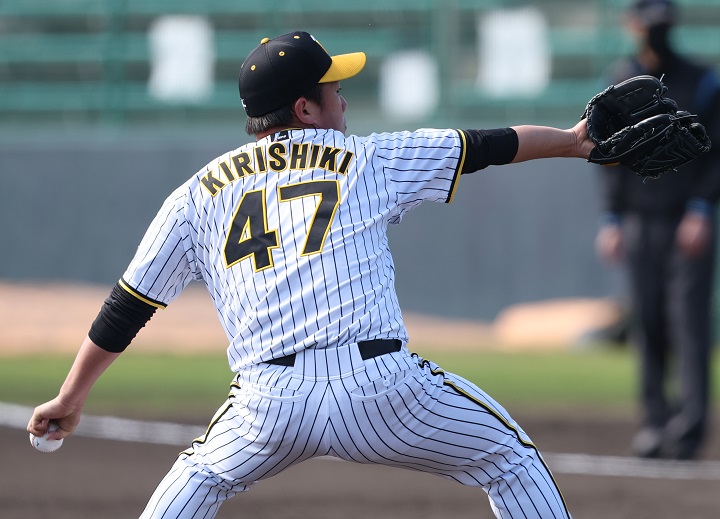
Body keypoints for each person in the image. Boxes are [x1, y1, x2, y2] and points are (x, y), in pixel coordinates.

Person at [28, 31, 595, 518]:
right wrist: (574, 143)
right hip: (379, 389)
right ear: (304, 109)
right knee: (509, 460)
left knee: (201, 477)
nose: (343, 101)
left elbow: (129, 305)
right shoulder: (369, 158)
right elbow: (489, 146)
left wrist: (70, 396)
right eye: (333, 89)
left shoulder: (196, 195)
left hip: (267, 403)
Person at [595, 0, 720, 460]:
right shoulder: (619, 81)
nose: (656, 33)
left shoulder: (702, 81)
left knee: (689, 324)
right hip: (638, 220)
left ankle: (689, 428)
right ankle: (655, 422)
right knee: (647, 322)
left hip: (686, 218)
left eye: (662, 25)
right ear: (632, 25)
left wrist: (702, 209)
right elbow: (606, 155)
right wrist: (612, 218)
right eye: (649, 25)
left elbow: (716, 153)